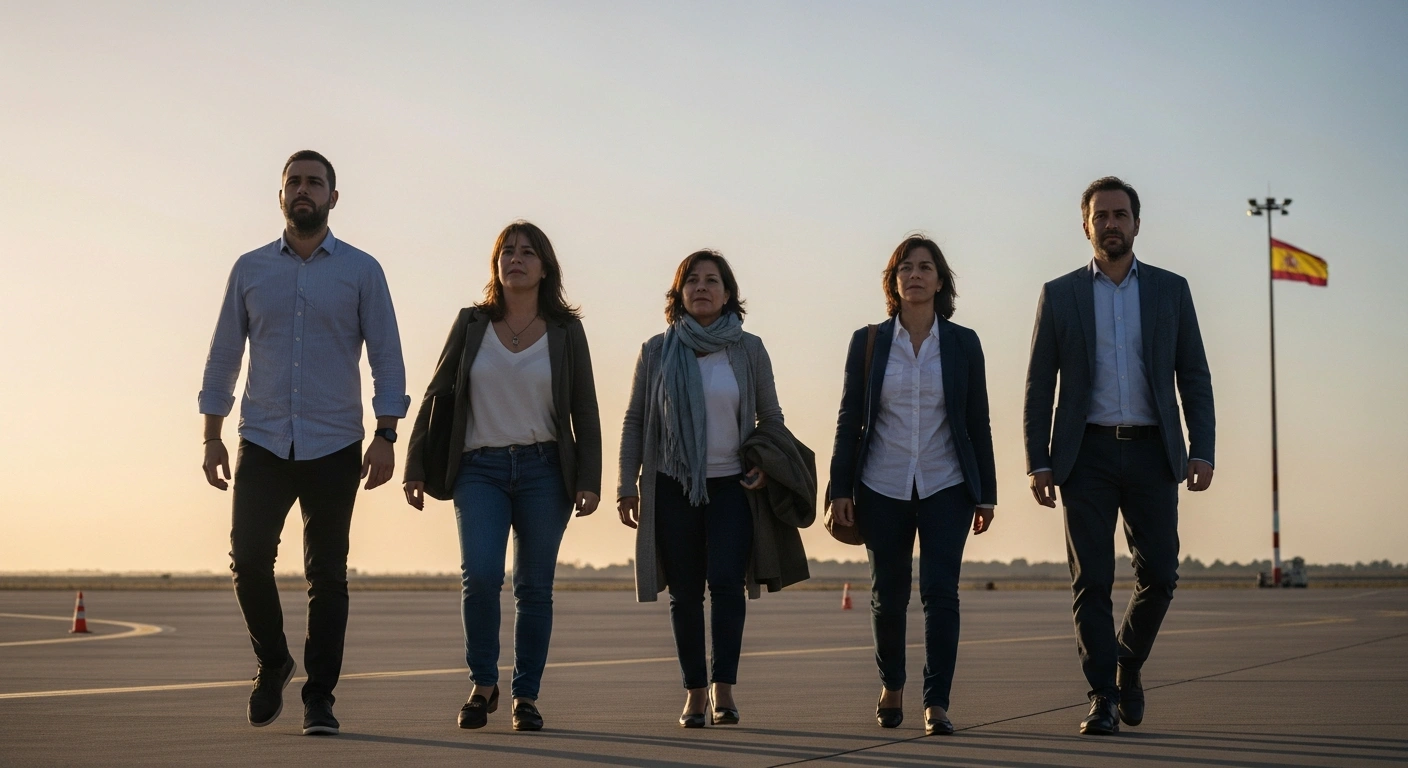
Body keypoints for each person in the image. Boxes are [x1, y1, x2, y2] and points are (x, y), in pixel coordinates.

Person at [199, 150, 409, 736]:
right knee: (248, 559)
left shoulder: (363, 271)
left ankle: (320, 697)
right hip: (261, 439)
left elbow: (387, 358)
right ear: (281, 195)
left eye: (315, 183)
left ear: (333, 198)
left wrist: (387, 434)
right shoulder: (250, 269)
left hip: (335, 442)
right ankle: (273, 661)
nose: (303, 190)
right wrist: (211, 435)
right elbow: (223, 354)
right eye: (294, 181)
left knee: (327, 574)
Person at [1024, 176, 1216, 735]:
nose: (1111, 223)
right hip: (1086, 455)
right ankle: (1101, 696)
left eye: (1121, 214)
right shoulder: (1059, 294)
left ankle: (1127, 664)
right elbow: (1040, 385)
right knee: (1092, 582)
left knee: (1160, 574)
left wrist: (1201, 447)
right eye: (1101, 215)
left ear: (1137, 222)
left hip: (1156, 452)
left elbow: (1194, 374)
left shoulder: (1170, 290)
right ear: (1086, 225)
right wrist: (1039, 459)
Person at [402, 220, 601, 732]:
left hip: (544, 471)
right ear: (496, 264)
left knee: (534, 587)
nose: (516, 259)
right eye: (507, 251)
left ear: (544, 267)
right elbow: (436, 392)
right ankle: (483, 683)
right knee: (482, 576)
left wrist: (590, 478)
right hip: (479, 468)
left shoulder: (565, 331)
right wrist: (416, 463)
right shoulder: (471, 323)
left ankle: (526, 696)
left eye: (527, 252)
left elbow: (585, 407)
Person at [619, 250, 805, 728]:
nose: (701, 287)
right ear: (679, 294)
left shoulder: (748, 349)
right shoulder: (656, 350)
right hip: (672, 484)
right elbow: (636, 420)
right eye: (692, 281)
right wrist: (626, 484)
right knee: (684, 592)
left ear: (728, 294)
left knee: (725, 584)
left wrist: (766, 464)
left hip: (732, 486)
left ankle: (724, 691)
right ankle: (694, 694)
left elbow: (772, 419)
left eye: (712, 280)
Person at [828, 235, 996, 736]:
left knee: (941, 592)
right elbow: (848, 418)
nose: (915, 275)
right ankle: (892, 685)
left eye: (926, 267)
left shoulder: (964, 342)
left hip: (947, 483)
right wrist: (840, 488)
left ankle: (937, 702)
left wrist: (986, 491)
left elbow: (978, 421)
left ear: (941, 281)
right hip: (882, 483)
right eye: (906, 268)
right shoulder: (870, 341)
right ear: (893, 280)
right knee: (888, 593)